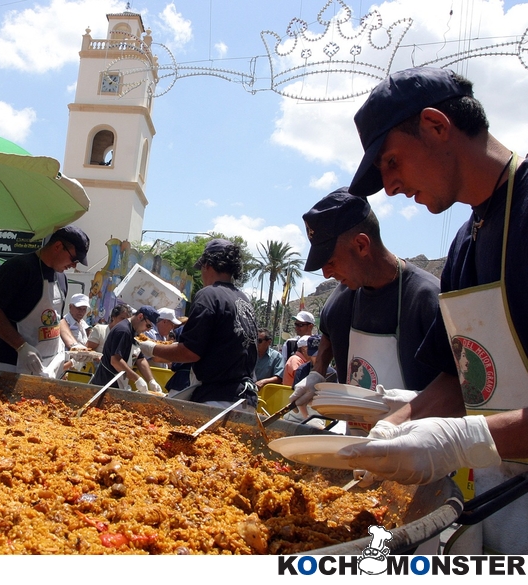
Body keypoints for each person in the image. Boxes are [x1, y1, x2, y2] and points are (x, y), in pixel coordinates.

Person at [335, 67, 528, 553]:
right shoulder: (466, 242)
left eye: (393, 162)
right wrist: (394, 427)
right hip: (499, 505)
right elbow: (457, 377)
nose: (392, 187)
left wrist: (456, 441)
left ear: (437, 126)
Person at [290, 189, 441, 408]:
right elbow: (328, 335)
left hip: (417, 434)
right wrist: (318, 373)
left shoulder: (427, 299)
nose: (325, 274)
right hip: (356, 432)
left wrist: (418, 401)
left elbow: (461, 386)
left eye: (330, 261)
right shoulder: (340, 301)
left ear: (361, 245)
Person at [137, 239, 259, 408]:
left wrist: (150, 347)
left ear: (207, 265)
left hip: (217, 399)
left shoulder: (209, 295)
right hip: (246, 398)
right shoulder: (244, 299)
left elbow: (189, 352)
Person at [0, 226, 89, 377]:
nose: (74, 265)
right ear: (58, 246)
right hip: (11, 364)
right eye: (74, 259)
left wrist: (74, 345)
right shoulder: (19, 268)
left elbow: (56, 319)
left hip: (48, 365)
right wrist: (21, 346)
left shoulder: (61, 277)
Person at [90, 304, 163, 393]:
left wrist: (151, 380)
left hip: (119, 385)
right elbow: (115, 361)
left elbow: (140, 359)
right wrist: (137, 379)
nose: (148, 330)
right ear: (140, 317)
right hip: (106, 385)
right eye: (148, 326)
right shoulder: (123, 330)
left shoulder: (135, 332)